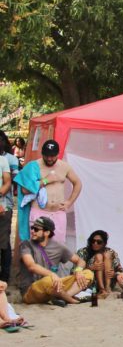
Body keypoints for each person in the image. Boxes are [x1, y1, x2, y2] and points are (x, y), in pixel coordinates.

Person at [18, 216, 93, 305]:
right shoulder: (26, 244)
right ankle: (68, 298)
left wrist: (78, 271)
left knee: (88, 273)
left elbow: (80, 261)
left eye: (36, 229)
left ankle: (64, 297)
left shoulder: (58, 247)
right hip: (32, 289)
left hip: (55, 287)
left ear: (47, 232)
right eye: (32, 228)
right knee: (48, 281)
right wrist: (52, 274)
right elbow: (31, 266)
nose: (32, 231)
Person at [25, 139, 83, 245]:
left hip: (58, 213)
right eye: (46, 155)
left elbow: (78, 183)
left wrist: (69, 202)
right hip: (39, 212)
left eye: (52, 156)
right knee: (37, 245)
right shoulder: (34, 166)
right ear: (42, 154)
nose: (49, 158)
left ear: (57, 154)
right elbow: (25, 189)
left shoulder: (64, 166)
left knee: (58, 247)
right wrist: (46, 180)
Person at [76, 229, 123, 296]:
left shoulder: (110, 252)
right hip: (90, 283)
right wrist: (90, 268)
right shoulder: (83, 251)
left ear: (105, 243)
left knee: (107, 254)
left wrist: (114, 274)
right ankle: (102, 289)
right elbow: (74, 271)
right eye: (93, 241)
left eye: (99, 242)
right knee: (99, 256)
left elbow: (120, 270)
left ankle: (107, 288)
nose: (95, 243)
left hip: (108, 281)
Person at [0, 131, 16, 283]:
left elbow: (9, 182)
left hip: (4, 207)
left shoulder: (5, 160)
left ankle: (4, 278)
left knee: (3, 243)